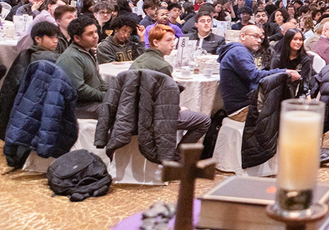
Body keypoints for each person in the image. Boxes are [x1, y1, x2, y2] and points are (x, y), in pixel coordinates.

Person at [128, 24, 213, 154]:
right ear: (155, 42)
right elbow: (166, 101)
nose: (173, 44)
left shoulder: (139, 60)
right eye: (168, 40)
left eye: (174, 40)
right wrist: (178, 108)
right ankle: (177, 158)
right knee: (204, 121)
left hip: (135, 111)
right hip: (153, 114)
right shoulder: (163, 66)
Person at [217, 25, 300, 118]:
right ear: (243, 36)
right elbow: (254, 75)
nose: (260, 41)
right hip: (241, 108)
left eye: (261, 37)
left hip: (243, 103)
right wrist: (285, 72)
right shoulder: (238, 52)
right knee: (285, 114)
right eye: (255, 36)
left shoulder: (238, 50)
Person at [0, 21, 59, 137]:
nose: (56, 41)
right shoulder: (49, 59)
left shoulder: (26, 53)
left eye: (56, 37)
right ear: (38, 39)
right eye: (51, 37)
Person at [56, 15, 106, 119]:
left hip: (91, 102)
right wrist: (103, 96)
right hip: (78, 107)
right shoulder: (71, 57)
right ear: (77, 38)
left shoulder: (88, 52)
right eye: (90, 34)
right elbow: (79, 90)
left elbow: (98, 79)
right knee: (118, 111)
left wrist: (111, 92)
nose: (96, 36)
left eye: (96, 32)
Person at [270, 28, 314, 98]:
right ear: (288, 40)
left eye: (300, 39)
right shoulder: (277, 58)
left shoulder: (306, 60)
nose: (298, 42)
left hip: (297, 94)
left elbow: (305, 83)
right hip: (278, 92)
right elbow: (272, 78)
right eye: (295, 39)